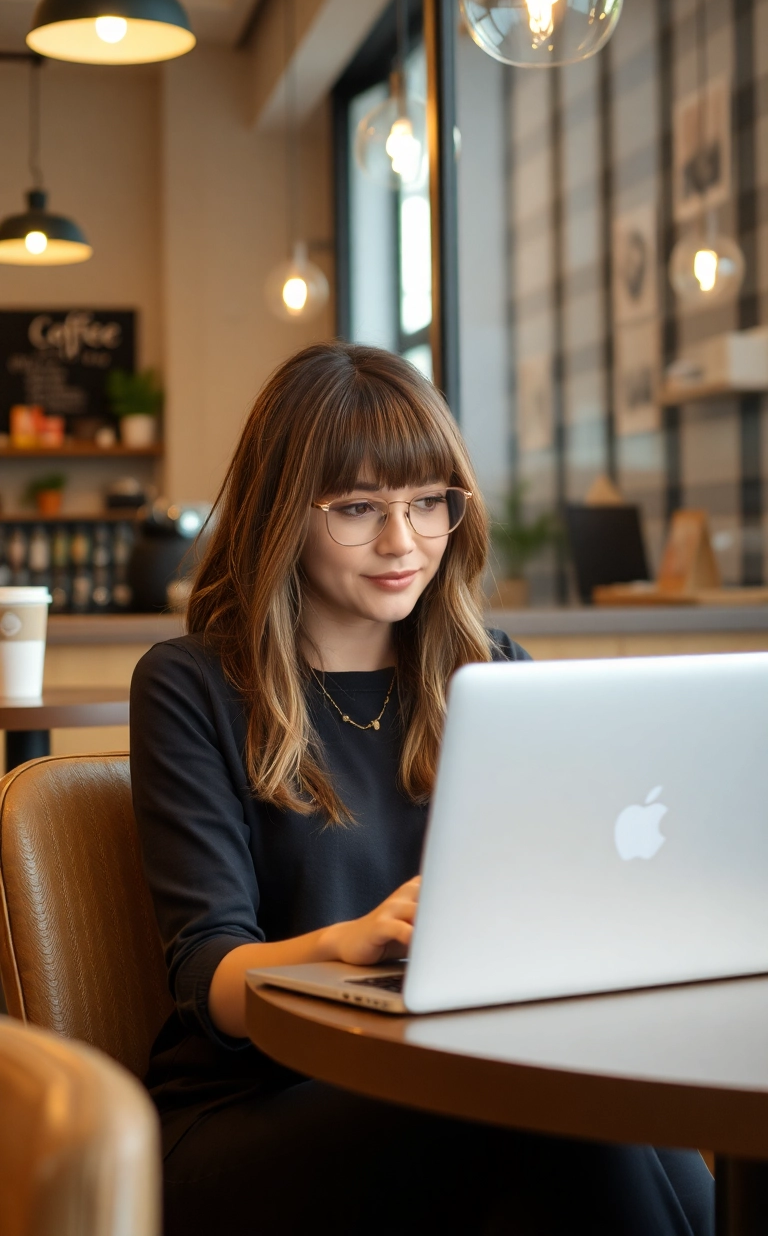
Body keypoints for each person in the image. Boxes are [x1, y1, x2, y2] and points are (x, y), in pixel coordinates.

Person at [130, 342, 713, 1236]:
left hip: (455, 1078)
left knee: (601, 1111)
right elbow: (206, 975)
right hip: (252, 1115)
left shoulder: (493, 671)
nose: (404, 543)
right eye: (359, 508)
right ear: (282, 511)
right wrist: (346, 941)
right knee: (549, 1112)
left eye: (427, 503)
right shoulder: (192, 684)